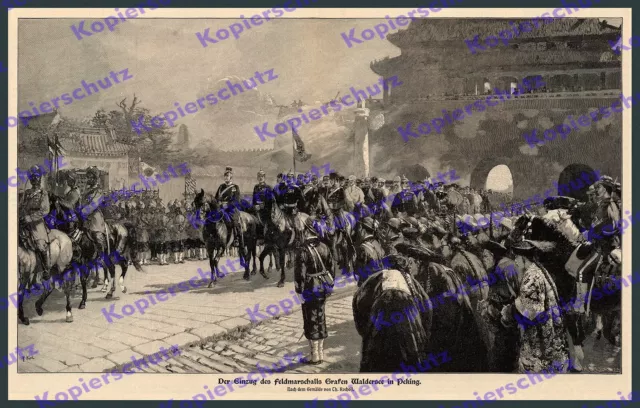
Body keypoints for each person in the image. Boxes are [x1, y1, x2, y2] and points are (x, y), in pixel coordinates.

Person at [500, 239, 570, 374]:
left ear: (524, 258)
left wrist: (507, 313)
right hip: (552, 335)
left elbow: (529, 312)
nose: (515, 262)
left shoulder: (531, 277)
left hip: (541, 343)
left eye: (517, 258)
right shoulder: (538, 270)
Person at [294, 217, 335, 364]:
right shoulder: (324, 246)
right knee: (320, 316)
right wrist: (330, 285)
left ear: (306, 230)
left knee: (310, 319)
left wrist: (299, 291)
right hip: (323, 287)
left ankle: (314, 355)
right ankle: (321, 352)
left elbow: (300, 274)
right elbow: (332, 268)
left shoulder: (302, 250)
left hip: (310, 287)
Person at [19, 166, 52, 280]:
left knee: (40, 245)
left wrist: (30, 218)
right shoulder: (27, 193)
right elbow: (21, 205)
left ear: (40, 179)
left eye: (36, 177)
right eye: (32, 177)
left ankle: (46, 269)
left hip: (37, 224)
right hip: (24, 221)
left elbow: (45, 210)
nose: (34, 180)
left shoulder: (43, 193)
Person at [215, 166, 242, 247]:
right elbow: (216, 198)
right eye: (225, 175)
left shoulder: (235, 187)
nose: (226, 177)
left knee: (234, 221)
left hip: (231, 208)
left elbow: (237, 200)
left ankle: (236, 238)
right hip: (221, 208)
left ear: (231, 177)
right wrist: (218, 203)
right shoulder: (221, 187)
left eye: (228, 175)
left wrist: (228, 205)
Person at [252, 169, 273, 239]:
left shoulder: (268, 188)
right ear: (257, 178)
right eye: (259, 176)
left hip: (265, 210)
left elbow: (270, 201)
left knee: (267, 224)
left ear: (264, 178)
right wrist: (254, 206)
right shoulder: (256, 187)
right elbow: (254, 199)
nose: (260, 178)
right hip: (257, 209)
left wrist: (262, 206)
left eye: (262, 176)